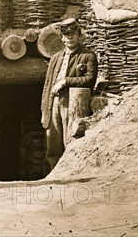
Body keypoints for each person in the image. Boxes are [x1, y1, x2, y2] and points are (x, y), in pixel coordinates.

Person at [41, 18, 98, 171]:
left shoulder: (88, 56)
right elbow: (47, 85)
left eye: (73, 34)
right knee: (53, 143)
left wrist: (66, 81)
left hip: (72, 101)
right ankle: (54, 175)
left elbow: (89, 79)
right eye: (66, 35)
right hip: (54, 102)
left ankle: (70, 173)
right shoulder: (55, 58)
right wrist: (44, 109)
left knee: (69, 139)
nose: (69, 38)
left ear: (79, 35)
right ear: (61, 38)